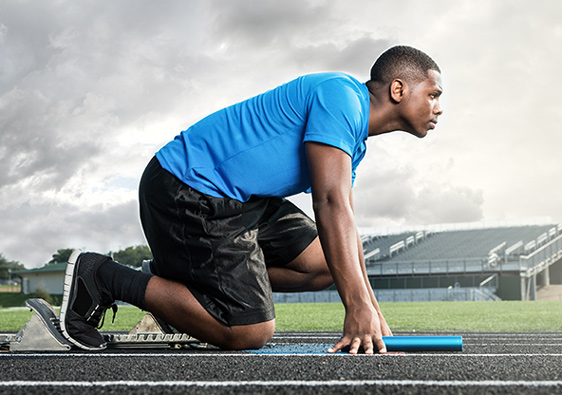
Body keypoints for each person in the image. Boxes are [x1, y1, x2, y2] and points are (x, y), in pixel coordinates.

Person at [59, 45, 443, 354]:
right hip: (189, 188)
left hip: (243, 201)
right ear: (398, 90)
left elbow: (346, 231)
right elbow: (329, 203)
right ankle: (102, 276)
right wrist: (355, 307)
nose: (438, 107)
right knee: (248, 331)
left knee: (330, 263)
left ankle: (177, 281)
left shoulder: (355, 140)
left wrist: (372, 312)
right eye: (433, 95)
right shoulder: (342, 96)